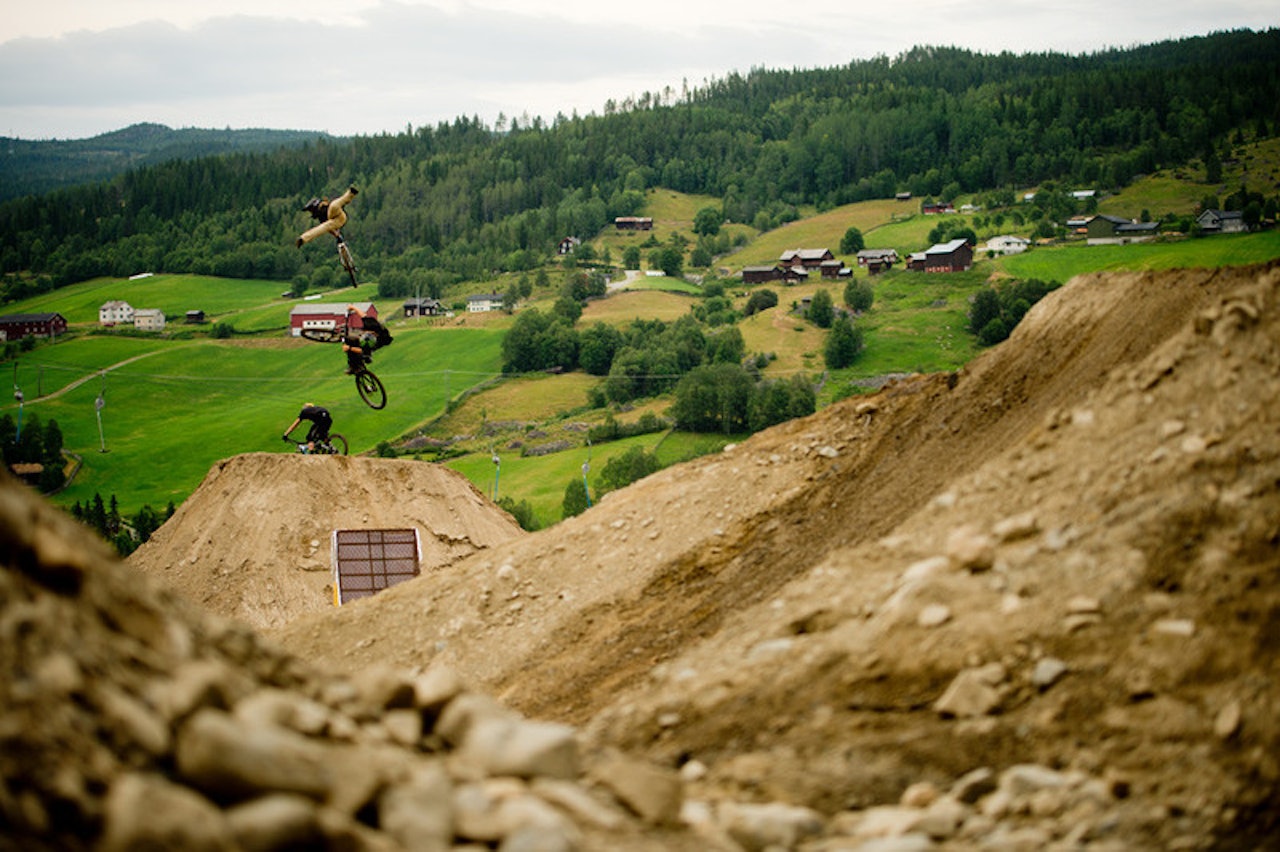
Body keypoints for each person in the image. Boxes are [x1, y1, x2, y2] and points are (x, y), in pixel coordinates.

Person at [342, 304, 393, 374]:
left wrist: (349, 348)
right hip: (373, 335)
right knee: (350, 338)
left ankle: (356, 365)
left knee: (352, 345)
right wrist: (353, 307)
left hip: (377, 342)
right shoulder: (371, 324)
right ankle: (360, 360)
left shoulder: (377, 341)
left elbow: (361, 350)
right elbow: (363, 315)